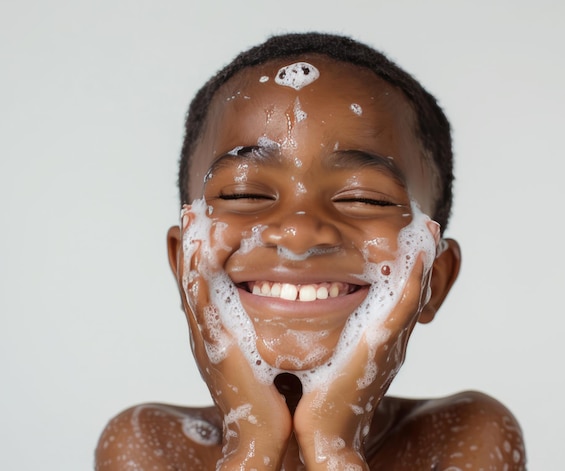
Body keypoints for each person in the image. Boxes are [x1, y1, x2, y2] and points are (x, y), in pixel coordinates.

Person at [95, 32, 526, 470]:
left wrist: (334, 446)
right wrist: (251, 443)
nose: (299, 234)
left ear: (435, 277)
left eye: (365, 199)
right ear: (181, 260)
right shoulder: (149, 445)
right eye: (245, 193)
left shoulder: (461, 437)